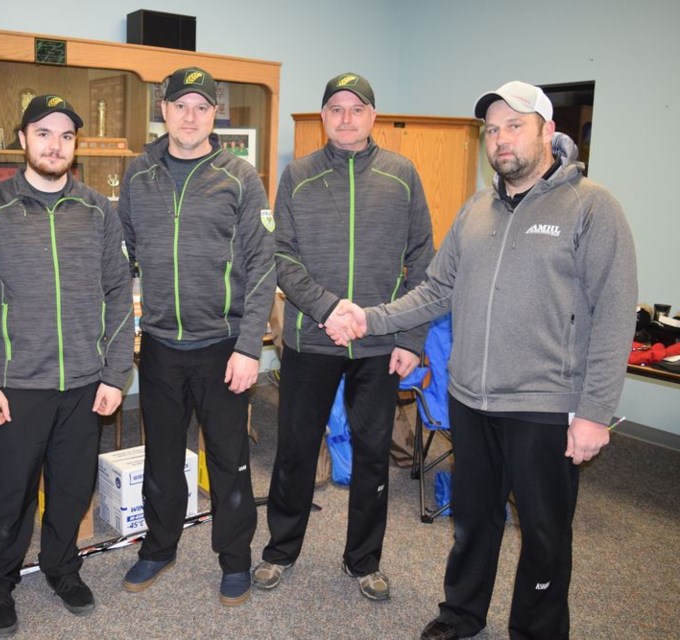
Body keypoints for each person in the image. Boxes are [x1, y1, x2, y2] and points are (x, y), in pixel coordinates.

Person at [344, 81, 637, 640]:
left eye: (515, 126)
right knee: (473, 523)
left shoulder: (591, 208)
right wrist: (370, 318)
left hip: (545, 406)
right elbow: (435, 290)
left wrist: (596, 412)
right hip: (471, 399)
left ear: (548, 132)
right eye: (492, 129)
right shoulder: (477, 208)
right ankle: (461, 617)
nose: (500, 139)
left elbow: (615, 314)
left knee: (546, 536)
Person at [252, 72, 435, 600]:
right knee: (294, 451)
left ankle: (363, 562)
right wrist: (329, 308)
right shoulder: (299, 176)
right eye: (336, 108)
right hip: (312, 339)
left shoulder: (402, 175)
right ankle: (279, 551)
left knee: (373, 454)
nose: (347, 118)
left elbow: (423, 261)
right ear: (324, 116)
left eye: (357, 109)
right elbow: (280, 255)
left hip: (379, 344)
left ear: (372, 116)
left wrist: (411, 337)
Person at [0, 94, 133, 635]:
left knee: (71, 485)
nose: (54, 144)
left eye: (64, 136)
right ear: (23, 140)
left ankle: (63, 567)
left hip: (85, 380)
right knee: (11, 491)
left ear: (74, 145)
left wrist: (114, 373)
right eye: (43, 133)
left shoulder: (97, 210)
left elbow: (116, 293)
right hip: (18, 384)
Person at [116, 66, 276, 606]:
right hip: (159, 346)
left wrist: (250, 346)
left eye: (201, 107)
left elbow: (262, 266)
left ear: (214, 115)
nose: (190, 116)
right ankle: (158, 548)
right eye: (181, 105)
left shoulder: (239, 176)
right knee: (161, 457)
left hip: (222, 348)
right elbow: (123, 255)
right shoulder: (138, 176)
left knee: (229, 461)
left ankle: (235, 559)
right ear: (163, 110)